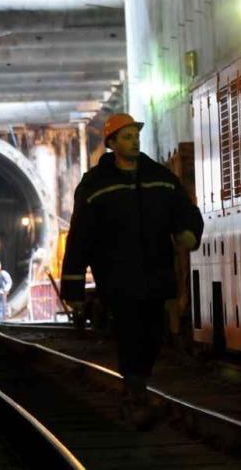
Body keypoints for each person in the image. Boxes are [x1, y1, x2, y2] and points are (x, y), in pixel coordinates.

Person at [60, 112, 203, 430]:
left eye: (136, 135)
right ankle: (135, 393)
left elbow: (185, 210)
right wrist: (73, 290)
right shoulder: (96, 186)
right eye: (126, 137)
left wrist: (189, 231)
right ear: (111, 144)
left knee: (152, 333)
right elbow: (80, 237)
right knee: (129, 331)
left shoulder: (160, 178)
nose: (134, 141)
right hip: (117, 276)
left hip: (156, 272)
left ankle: (137, 387)